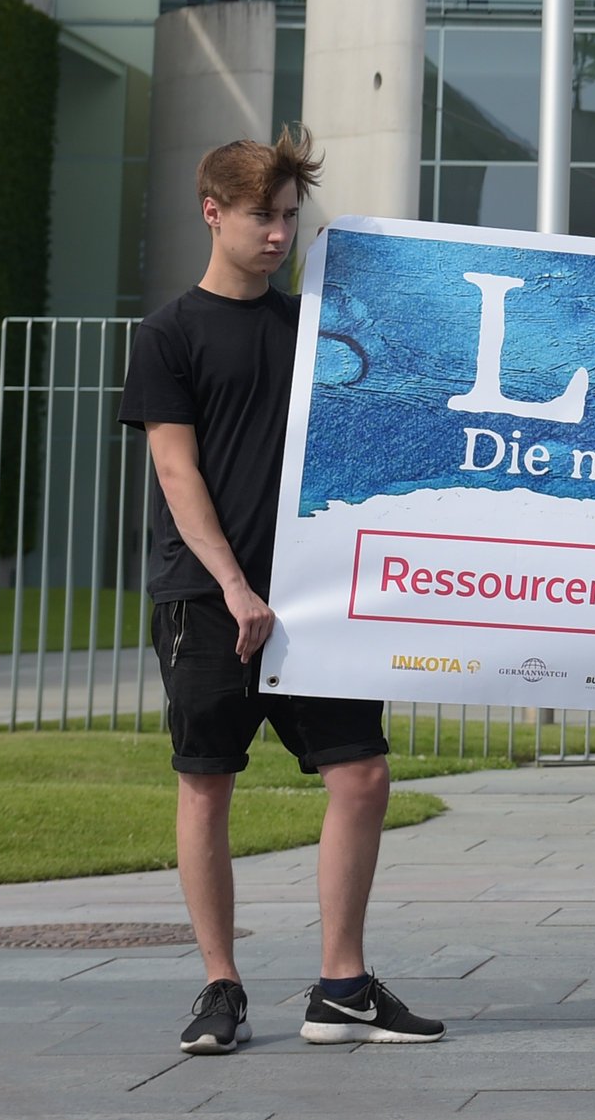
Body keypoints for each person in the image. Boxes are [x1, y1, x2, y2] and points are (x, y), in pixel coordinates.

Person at [118, 131, 445, 1057]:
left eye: (291, 217)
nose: (279, 233)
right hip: (205, 601)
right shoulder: (170, 333)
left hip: (314, 603)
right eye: (263, 215)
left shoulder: (314, 327)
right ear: (213, 212)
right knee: (206, 786)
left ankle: (342, 986)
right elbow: (177, 473)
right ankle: (221, 984)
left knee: (363, 774)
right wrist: (234, 587)